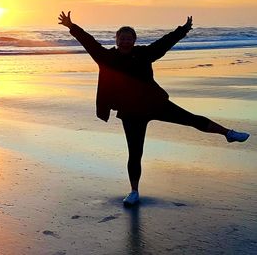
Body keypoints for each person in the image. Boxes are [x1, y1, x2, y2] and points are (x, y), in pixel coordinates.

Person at [58, 11, 250, 206]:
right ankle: (134, 191)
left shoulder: (143, 54)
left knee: (191, 119)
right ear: (116, 40)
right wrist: (72, 27)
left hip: (155, 104)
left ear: (134, 40)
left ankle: (228, 133)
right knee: (135, 152)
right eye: (122, 38)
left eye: (129, 38)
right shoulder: (107, 57)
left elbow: (164, 43)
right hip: (131, 113)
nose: (125, 41)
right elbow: (89, 42)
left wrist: (182, 30)